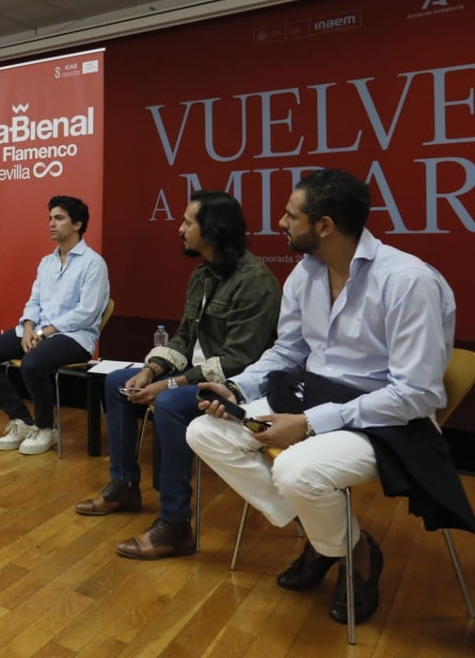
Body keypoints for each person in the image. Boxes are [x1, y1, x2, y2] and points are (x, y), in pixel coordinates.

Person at [187, 169, 472, 626]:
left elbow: (416, 396)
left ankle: (349, 556)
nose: (280, 222)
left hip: (386, 419)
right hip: (313, 397)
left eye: (290, 214)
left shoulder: (408, 281)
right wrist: (239, 388)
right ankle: (339, 542)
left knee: (295, 468)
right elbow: (288, 351)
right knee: (206, 431)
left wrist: (310, 423)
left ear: (324, 225)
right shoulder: (306, 272)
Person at [75, 190, 280, 560]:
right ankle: (123, 485)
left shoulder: (256, 281)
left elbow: (239, 358)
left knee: (168, 403)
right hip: (193, 375)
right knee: (115, 381)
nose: (180, 228)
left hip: (237, 386)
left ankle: (175, 524)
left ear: (212, 230)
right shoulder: (201, 274)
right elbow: (185, 336)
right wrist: (151, 370)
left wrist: (168, 384)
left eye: (188, 222)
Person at [0, 196, 110, 456]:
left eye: (59, 218)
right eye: (50, 218)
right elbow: (33, 301)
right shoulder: (47, 262)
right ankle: (22, 420)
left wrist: (44, 332)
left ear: (77, 224)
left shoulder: (93, 263)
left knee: (32, 363)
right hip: (39, 332)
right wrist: (30, 327)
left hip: (75, 338)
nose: (51, 224)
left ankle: (46, 428)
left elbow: (86, 313)